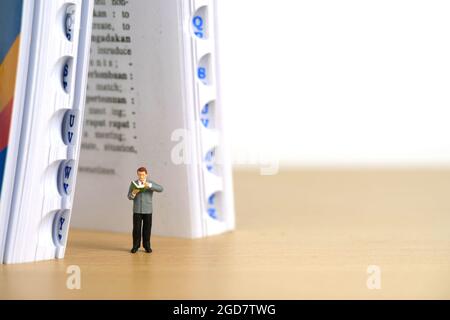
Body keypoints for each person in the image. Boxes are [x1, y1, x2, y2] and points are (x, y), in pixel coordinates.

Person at [127, 166, 163, 253]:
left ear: (146, 174)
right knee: (136, 229)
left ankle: (147, 245)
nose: (141, 176)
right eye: (139, 175)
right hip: (137, 210)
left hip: (148, 210)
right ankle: (135, 245)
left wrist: (150, 186)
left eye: (143, 175)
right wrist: (133, 193)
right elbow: (129, 197)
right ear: (137, 174)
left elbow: (161, 189)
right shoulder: (134, 183)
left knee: (147, 228)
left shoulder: (150, 183)